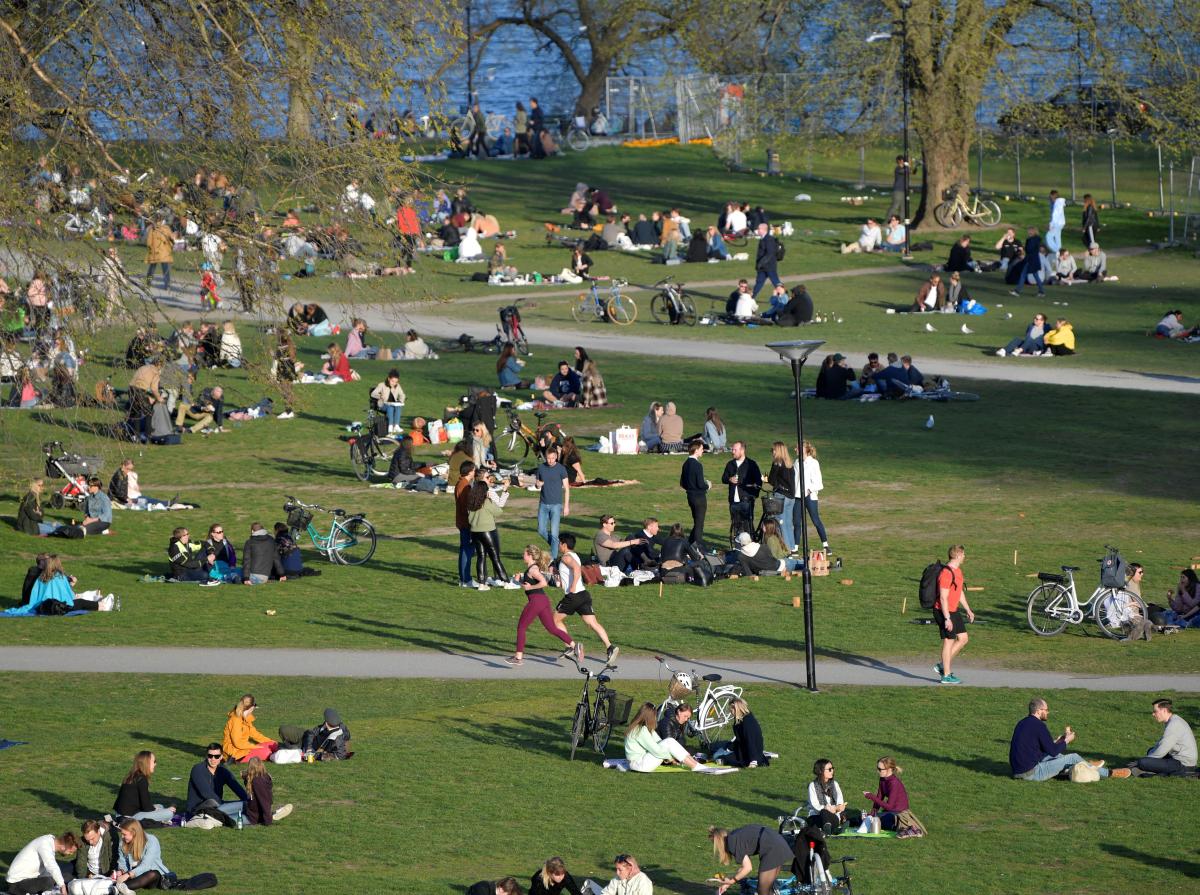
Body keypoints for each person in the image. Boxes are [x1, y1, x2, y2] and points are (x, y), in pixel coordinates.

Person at [1009, 698, 1129, 780]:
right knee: (1073, 757)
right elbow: (1053, 751)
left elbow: (1042, 747)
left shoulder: (1022, 723)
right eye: (1046, 710)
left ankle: (1085, 765)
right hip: (1031, 773)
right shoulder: (1039, 726)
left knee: (1060, 757)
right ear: (1038, 711)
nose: (1048, 712)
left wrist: (1058, 741)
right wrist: (1067, 740)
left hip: (1017, 771)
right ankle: (1110, 773)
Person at [505, 545, 575, 667]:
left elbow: (543, 583)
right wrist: (519, 581)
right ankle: (574, 645)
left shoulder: (533, 569)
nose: (523, 556)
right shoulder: (532, 568)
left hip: (536, 601)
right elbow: (529, 584)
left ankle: (518, 657)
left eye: (524, 554)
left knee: (521, 627)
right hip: (543, 601)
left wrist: (529, 587)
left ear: (530, 555)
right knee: (552, 628)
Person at [554, 532, 617, 664]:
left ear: (564, 545)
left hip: (573, 596)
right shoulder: (574, 555)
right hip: (583, 595)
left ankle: (570, 647)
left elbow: (577, 569)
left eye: (559, 543)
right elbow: (575, 568)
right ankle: (610, 647)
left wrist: (571, 587)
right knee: (592, 623)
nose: (558, 545)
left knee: (554, 620)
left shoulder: (566, 557)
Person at [708, 824, 793, 895]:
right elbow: (743, 868)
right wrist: (727, 884)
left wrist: (732, 881)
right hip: (777, 842)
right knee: (767, 889)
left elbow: (748, 868)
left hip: (772, 848)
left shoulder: (732, 843)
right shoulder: (734, 836)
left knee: (762, 890)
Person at [932, 545, 973, 684]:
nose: (964, 557)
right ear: (957, 556)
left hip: (953, 609)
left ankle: (942, 665)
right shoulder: (946, 573)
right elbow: (943, 598)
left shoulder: (958, 572)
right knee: (949, 640)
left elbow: (959, 592)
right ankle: (946, 676)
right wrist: (947, 619)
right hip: (943, 611)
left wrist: (968, 609)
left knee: (963, 638)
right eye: (963, 554)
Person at [624, 702, 701, 771]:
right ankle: (695, 766)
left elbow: (659, 741)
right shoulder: (640, 730)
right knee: (669, 742)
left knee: (669, 741)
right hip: (639, 764)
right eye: (654, 715)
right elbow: (656, 750)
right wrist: (671, 757)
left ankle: (696, 765)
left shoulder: (642, 727)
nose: (655, 717)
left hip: (639, 762)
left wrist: (673, 753)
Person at [1133, 699, 1197, 777]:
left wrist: (1145, 760)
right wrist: (1150, 755)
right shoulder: (1173, 720)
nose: (1153, 714)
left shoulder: (1174, 724)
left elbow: (1163, 748)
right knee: (1150, 751)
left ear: (1164, 710)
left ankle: (1151, 772)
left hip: (1183, 765)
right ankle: (1153, 770)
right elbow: (1161, 744)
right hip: (1177, 759)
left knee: (1143, 762)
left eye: (1155, 711)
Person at [468, 476, 513, 589]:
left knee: (481, 557)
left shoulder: (471, 502)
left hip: (474, 532)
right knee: (495, 557)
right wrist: (491, 500)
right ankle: (506, 582)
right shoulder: (486, 501)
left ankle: (482, 584)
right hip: (487, 531)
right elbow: (499, 512)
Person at [186, 742, 249, 820]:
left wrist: (247, 799)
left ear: (221, 757)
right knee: (214, 802)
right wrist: (224, 805)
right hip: (196, 809)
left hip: (217, 806)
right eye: (210, 756)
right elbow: (206, 793)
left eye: (216, 756)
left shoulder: (222, 771)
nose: (213, 759)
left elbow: (236, 787)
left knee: (247, 804)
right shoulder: (198, 769)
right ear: (206, 756)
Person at [5, 831, 77, 895]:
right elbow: (51, 866)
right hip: (15, 883)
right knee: (48, 882)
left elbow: (48, 869)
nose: (70, 854)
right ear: (63, 847)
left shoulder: (50, 843)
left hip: (30, 878)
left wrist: (58, 881)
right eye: (70, 851)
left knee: (65, 875)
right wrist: (62, 885)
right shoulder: (45, 844)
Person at [113, 751, 176, 824]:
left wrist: (156, 808)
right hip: (129, 818)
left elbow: (143, 803)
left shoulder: (133, 776)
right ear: (147, 763)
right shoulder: (141, 779)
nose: (155, 764)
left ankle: (160, 815)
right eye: (154, 761)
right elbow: (147, 807)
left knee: (160, 806)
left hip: (123, 815)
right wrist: (161, 810)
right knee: (169, 813)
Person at [805, 758, 862, 833]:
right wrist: (829, 809)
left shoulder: (835, 784)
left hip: (834, 816)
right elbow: (815, 806)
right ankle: (833, 829)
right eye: (829, 769)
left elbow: (840, 801)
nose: (832, 771)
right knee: (824, 812)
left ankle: (830, 829)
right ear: (820, 771)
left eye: (832, 768)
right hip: (817, 816)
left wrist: (838, 807)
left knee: (834, 815)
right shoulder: (813, 785)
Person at [114, 818, 169, 891]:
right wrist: (121, 871)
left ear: (134, 833)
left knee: (153, 874)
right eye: (122, 834)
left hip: (151, 875)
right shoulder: (122, 843)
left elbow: (146, 865)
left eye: (124, 834)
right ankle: (119, 887)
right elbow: (122, 862)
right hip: (134, 875)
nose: (122, 837)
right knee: (122, 876)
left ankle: (115, 889)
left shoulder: (151, 841)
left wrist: (128, 875)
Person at [535, 445, 570, 557]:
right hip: (543, 504)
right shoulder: (541, 468)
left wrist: (566, 506)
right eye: (548, 458)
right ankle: (556, 545)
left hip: (556, 505)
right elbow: (537, 483)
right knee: (541, 530)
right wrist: (537, 485)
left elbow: (567, 488)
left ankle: (554, 560)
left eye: (552, 458)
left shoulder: (561, 469)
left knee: (555, 534)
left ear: (556, 457)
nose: (550, 460)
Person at [721, 441, 762, 535]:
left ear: (742, 450)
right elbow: (723, 478)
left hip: (746, 500)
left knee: (748, 525)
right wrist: (729, 479)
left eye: (735, 450)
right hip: (733, 501)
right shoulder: (730, 464)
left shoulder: (751, 464)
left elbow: (758, 482)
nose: (732, 452)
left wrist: (753, 495)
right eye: (732, 449)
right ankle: (737, 546)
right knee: (736, 525)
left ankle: (749, 545)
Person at [222, 693, 278, 762]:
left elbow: (256, 735)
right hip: (236, 753)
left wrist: (272, 742)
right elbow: (238, 743)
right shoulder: (236, 720)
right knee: (266, 751)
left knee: (273, 745)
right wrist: (255, 747)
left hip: (244, 749)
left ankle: (279, 753)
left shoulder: (246, 719)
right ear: (252, 707)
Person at [798, 440, 830, 553]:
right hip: (798, 496)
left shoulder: (813, 463)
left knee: (816, 520)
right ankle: (795, 547)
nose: (796, 449)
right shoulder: (797, 462)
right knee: (797, 521)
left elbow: (819, 483)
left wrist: (809, 490)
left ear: (806, 450)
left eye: (798, 447)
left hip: (810, 496)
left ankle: (825, 545)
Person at [241, 756, 293, 825]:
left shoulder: (258, 781)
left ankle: (271, 816)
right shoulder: (258, 778)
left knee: (229, 819)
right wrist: (245, 776)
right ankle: (274, 813)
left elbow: (264, 801)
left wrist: (268, 821)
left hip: (253, 817)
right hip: (251, 809)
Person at [70, 820, 117, 895]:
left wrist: (113, 873)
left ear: (98, 831)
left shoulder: (109, 837)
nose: (90, 842)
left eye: (92, 838)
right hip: (90, 874)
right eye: (87, 840)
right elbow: (81, 863)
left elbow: (113, 857)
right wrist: (83, 879)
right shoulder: (82, 842)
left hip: (106, 873)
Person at [862, 756, 909, 831]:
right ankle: (846, 820)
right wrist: (872, 814)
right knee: (868, 819)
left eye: (880, 769)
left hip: (899, 814)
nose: (878, 771)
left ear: (889, 769)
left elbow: (889, 807)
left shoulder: (894, 783)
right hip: (890, 812)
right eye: (877, 768)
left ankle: (900, 828)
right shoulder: (882, 779)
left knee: (876, 822)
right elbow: (879, 797)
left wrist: (871, 796)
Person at [680, 441, 710, 550]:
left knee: (697, 522)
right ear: (696, 450)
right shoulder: (697, 465)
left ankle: (688, 544)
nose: (703, 451)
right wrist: (708, 485)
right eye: (702, 449)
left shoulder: (686, 463)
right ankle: (698, 547)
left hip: (690, 497)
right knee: (699, 524)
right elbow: (700, 484)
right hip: (699, 498)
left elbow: (682, 483)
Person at [455, 461, 478, 588]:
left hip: (462, 521)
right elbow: (466, 506)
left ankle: (463, 578)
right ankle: (466, 579)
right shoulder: (465, 486)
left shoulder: (461, 483)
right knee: (467, 550)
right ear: (469, 471)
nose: (475, 472)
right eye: (474, 470)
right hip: (466, 522)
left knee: (465, 549)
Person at [727, 698, 769, 768]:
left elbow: (750, 741)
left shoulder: (747, 723)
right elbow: (740, 738)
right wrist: (729, 748)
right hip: (742, 747)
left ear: (736, 709)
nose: (730, 711)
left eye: (731, 709)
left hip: (747, 754)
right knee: (718, 747)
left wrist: (753, 760)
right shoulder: (742, 719)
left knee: (720, 756)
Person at [580, 855, 651, 895]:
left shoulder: (643, 882)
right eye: (616, 869)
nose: (617, 873)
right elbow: (606, 893)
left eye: (620, 870)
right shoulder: (618, 878)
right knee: (588, 883)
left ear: (630, 868)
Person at [1010, 226, 1046, 297]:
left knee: (1023, 275)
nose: (1028, 232)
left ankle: (1017, 291)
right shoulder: (1037, 239)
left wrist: (1025, 247)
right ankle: (1041, 291)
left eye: (1029, 231)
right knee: (1035, 276)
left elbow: (1029, 249)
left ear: (1032, 231)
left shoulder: (1031, 240)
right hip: (1034, 260)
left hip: (1030, 260)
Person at [751, 222, 782, 298]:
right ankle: (751, 297)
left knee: (776, 282)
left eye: (759, 229)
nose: (757, 230)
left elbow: (770, 253)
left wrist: (761, 263)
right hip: (763, 267)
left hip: (769, 266)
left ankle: (783, 297)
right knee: (759, 282)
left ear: (764, 230)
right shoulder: (763, 239)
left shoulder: (768, 239)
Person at [371, 369, 407, 434]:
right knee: (390, 407)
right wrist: (380, 396)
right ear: (388, 379)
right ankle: (390, 426)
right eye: (392, 381)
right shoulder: (381, 385)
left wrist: (401, 400)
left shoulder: (397, 386)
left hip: (393, 404)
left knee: (398, 407)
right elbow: (373, 394)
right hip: (382, 404)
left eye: (396, 382)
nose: (394, 383)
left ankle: (396, 426)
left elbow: (402, 394)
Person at [145, 218, 174, 289]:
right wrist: (170, 246)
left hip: (155, 252)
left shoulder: (152, 229)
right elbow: (172, 238)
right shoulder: (166, 228)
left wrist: (150, 249)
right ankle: (167, 285)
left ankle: (148, 282)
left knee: (151, 269)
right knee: (165, 270)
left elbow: (149, 242)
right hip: (164, 252)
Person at [886, 155, 909, 221]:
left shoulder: (905, 168)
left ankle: (900, 221)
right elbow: (905, 171)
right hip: (898, 190)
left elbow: (912, 172)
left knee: (903, 208)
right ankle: (887, 221)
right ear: (898, 161)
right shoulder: (898, 169)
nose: (902, 161)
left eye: (903, 160)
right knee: (895, 206)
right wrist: (908, 165)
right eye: (901, 160)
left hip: (904, 190)